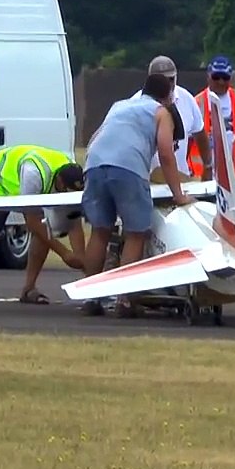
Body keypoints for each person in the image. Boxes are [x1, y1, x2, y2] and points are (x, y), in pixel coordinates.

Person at [82, 72, 196, 315]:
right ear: (167, 97)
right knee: (136, 234)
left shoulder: (119, 106)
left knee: (100, 232)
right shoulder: (161, 112)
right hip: (128, 167)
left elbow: (95, 138)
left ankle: (90, 298)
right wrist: (178, 194)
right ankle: (125, 300)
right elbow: (166, 153)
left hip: (94, 164)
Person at [0, 145, 88, 304]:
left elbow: (74, 221)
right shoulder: (34, 174)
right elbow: (32, 222)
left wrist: (81, 258)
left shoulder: (72, 173)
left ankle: (29, 289)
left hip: (31, 188)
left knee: (43, 235)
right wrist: (65, 254)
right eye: (65, 191)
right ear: (59, 181)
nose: (65, 195)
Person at [131, 55, 211, 183]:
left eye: (171, 79)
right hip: (148, 181)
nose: (167, 85)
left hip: (181, 178)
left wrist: (208, 166)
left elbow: (200, 133)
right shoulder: (136, 104)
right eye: (161, 80)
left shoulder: (186, 99)